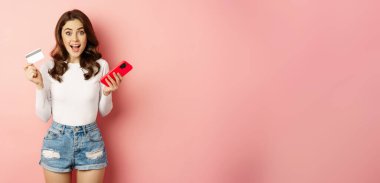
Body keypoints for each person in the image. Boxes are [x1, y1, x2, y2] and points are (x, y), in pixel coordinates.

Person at [23, 9, 122, 183]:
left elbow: (105, 111)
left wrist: (107, 93)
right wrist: (39, 86)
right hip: (57, 139)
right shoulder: (49, 67)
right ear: (61, 37)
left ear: (87, 35)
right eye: (68, 33)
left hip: (90, 140)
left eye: (80, 32)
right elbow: (43, 115)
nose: (75, 39)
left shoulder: (100, 66)